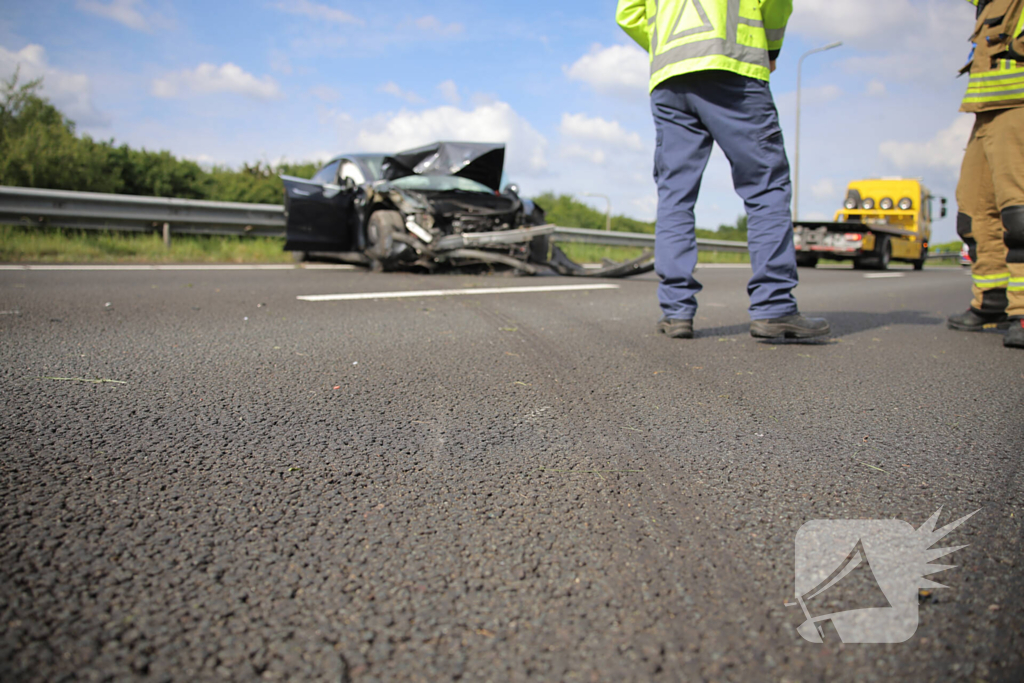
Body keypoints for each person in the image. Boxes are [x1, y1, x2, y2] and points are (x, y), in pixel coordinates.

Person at [616, 0, 828, 340]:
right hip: (734, 64)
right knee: (765, 186)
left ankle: (676, 311)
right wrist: (770, 48)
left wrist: (666, 43)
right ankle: (773, 307)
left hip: (670, 73)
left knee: (675, 194)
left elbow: (627, 13)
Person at [948, 0, 1024, 349]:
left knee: (1019, 213)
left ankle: (1022, 310)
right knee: (973, 213)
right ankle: (991, 299)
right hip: (986, 108)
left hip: (1019, 103)